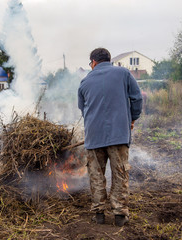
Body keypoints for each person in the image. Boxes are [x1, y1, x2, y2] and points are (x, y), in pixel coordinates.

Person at [77, 48, 142, 227]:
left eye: (90, 63)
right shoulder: (123, 73)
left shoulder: (85, 81)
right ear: (108, 60)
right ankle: (120, 215)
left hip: (94, 137)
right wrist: (132, 118)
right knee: (120, 174)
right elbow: (136, 99)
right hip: (119, 136)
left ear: (94, 62)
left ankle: (99, 214)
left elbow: (83, 109)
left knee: (96, 175)